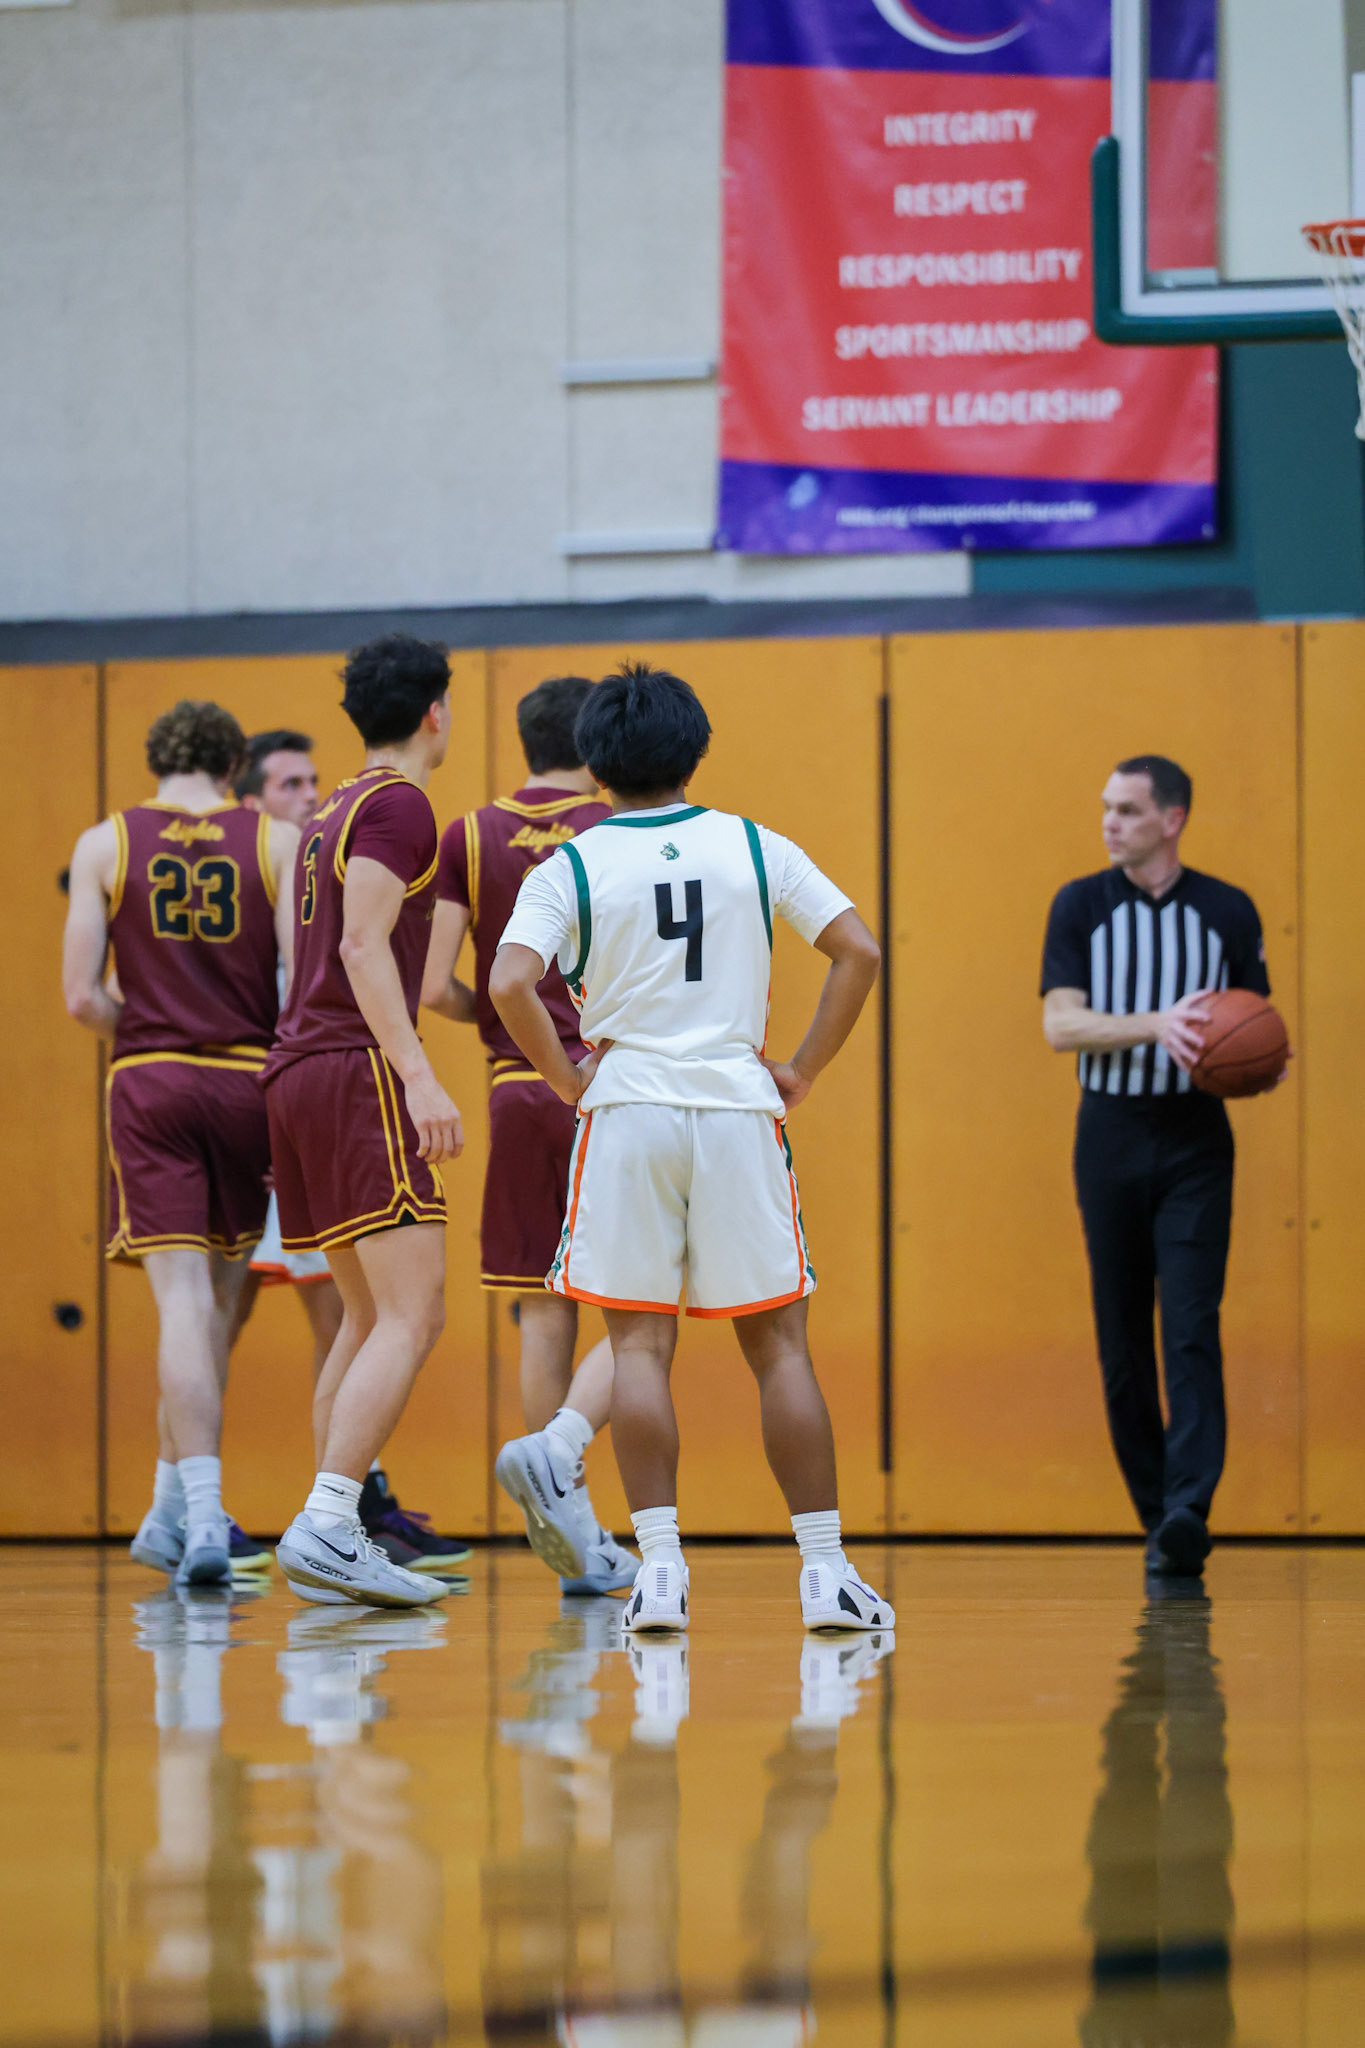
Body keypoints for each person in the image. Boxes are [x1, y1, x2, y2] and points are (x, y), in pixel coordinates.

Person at [488, 661, 894, 1635]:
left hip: (627, 1107)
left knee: (637, 1345)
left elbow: (507, 982)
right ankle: (826, 1573)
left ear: (593, 765)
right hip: (735, 1102)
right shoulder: (755, 844)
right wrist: (802, 1066)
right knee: (779, 1345)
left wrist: (566, 1076)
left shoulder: (568, 865)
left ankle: (660, 1573)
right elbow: (860, 951)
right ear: (695, 749)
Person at [62, 700, 298, 1585]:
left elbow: (81, 997)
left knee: (182, 1308)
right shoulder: (274, 842)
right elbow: (298, 981)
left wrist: (149, 1027)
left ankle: (193, 1514)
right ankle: (175, 1515)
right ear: (235, 765)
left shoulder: (105, 843)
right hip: (246, 1079)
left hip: (151, 1078)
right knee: (219, 1306)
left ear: (156, 759)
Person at [237, 728, 468, 1576]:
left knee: (363, 1318)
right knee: (413, 1315)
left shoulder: (325, 814)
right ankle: (332, 1520)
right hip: (353, 1069)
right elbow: (360, 948)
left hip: (296, 1070)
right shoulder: (397, 803)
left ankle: (331, 1525)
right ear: (436, 713)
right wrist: (419, 1076)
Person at [422, 675, 634, 1595]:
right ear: (594, 743)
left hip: (515, 1086)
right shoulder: (617, 827)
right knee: (641, 1304)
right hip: (605, 1083)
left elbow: (431, 983)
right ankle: (568, 1467)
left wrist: (503, 1021)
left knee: (541, 1308)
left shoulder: (468, 834)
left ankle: (570, 1525)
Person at [1041, 755, 1273, 1579]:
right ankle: (1156, 1515)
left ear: (1171, 819)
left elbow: (1255, 1023)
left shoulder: (1226, 910)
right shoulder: (1080, 905)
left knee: (1190, 1325)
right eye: (1106, 807)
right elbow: (1060, 1026)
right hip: (1107, 1134)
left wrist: (1257, 1061)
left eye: (1128, 810)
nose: (1109, 823)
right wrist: (1156, 1024)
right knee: (1121, 1338)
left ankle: (1188, 1507)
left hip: (1193, 1140)